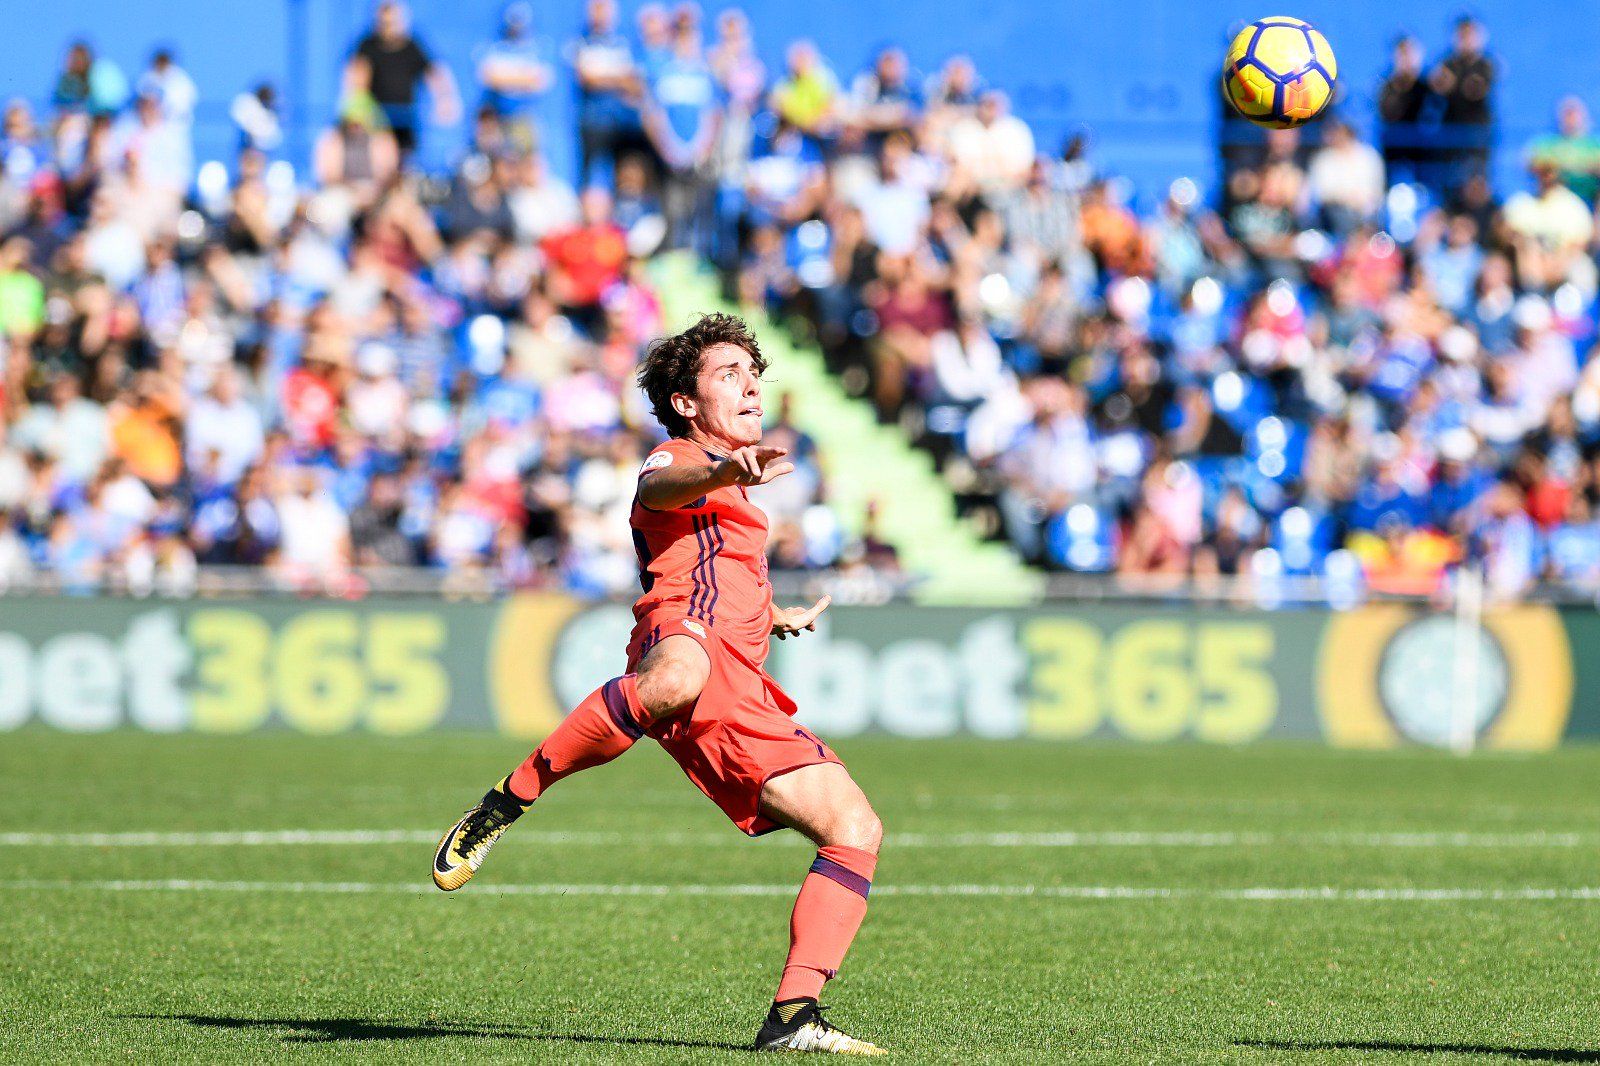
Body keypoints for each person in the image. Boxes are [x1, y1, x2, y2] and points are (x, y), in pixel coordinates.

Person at [432, 313, 887, 1057]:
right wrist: (722, 471)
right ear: (685, 401)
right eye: (729, 374)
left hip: (741, 687)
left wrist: (772, 615)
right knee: (677, 674)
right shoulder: (679, 458)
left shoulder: (740, 493)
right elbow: (665, 490)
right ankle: (505, 802)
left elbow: (722, 569)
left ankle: (794, 1017)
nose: (750, 387)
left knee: (856, 829)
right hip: (680, 634)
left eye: (754, 375)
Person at [346, 0, 461, 158]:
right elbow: (356, 78)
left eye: (393, 21)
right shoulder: (367, 46)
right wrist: (357, 108)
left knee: (405, 160)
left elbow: (435, 73)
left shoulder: (412, 46)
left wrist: (445, 100)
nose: (389, 27)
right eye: (385, 22)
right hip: (377, 120)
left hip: (405, 120)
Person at [475, 1, 553, 154]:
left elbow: (539, 80)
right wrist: (521, 77)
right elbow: (488, 77)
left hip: (524, 117)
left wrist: (505, 77)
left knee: (528, 158)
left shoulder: (535, 48)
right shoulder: (495, 47)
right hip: (497, 117)